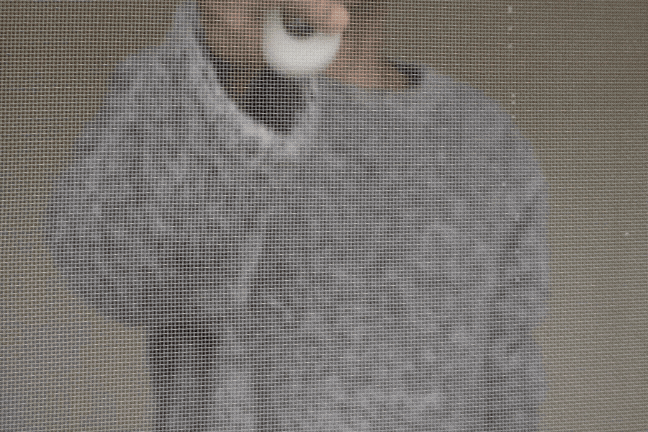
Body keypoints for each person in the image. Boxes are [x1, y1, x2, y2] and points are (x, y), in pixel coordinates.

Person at [44, 0, 550, 431]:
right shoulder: (191, 81)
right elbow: (106, 274)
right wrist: (230, 79)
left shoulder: (490, 139)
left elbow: (509, 371)